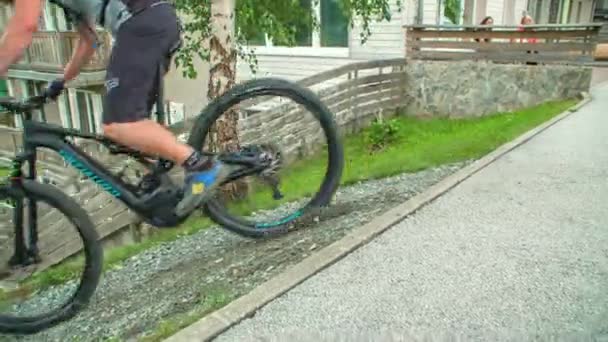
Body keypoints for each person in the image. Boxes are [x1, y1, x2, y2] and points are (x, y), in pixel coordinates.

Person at [0, 0, 231, 216]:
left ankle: (201, 166)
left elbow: (24, 28)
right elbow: (89, 42)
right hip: (152, 24)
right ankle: (163, 179)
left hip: (142, 27)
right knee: (131, 128)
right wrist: (61, 82)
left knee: (119, 125)